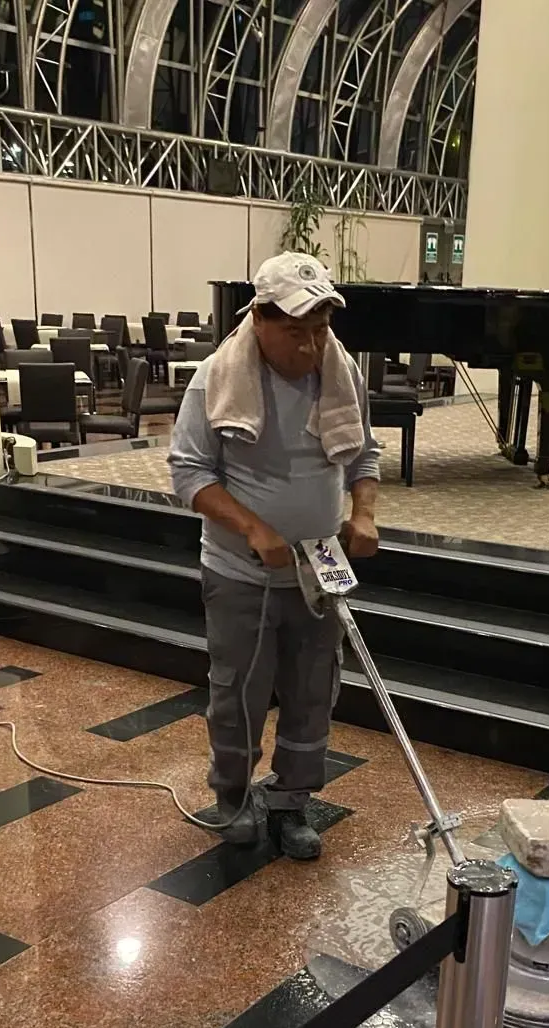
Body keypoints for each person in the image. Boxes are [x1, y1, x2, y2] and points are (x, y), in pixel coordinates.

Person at [168, 252, 381, 861]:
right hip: (241, 575)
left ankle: (292, 801)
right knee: (238, 693)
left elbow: (363, 456)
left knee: (315, 692)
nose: (311, 346)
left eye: (320, 330)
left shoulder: (341, 373)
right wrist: (253, 528)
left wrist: (362, 512)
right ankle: (232, 797)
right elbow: (188, 472)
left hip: (319, 572)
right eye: (296, 331)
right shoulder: (217, 378)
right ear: (259, 318)